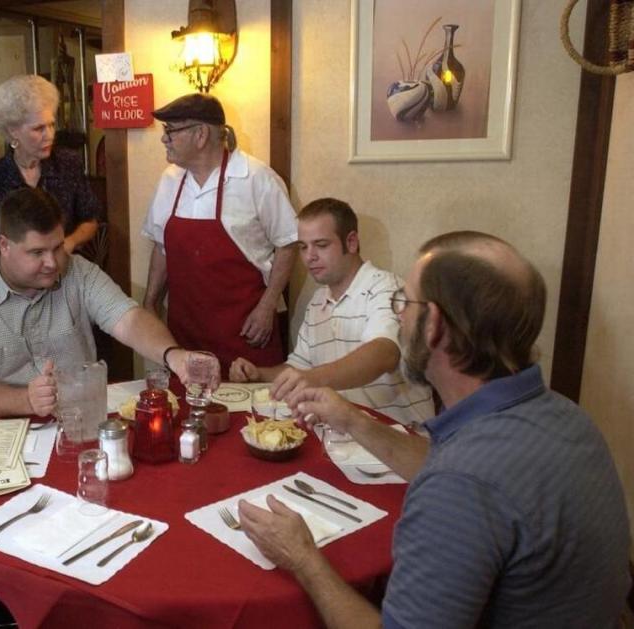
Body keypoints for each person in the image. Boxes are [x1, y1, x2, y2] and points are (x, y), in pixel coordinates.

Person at [238, 231, 631, 628]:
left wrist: (303, 557)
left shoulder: (460, 484)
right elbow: (450, 465)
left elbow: (461, 480)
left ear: (435, 325)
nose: (398, 316)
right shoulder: (565, 415)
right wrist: (352, 419)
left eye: (404, 304)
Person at [0, 187, 215, 419]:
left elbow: (128, 319)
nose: (52, 263)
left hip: (76, 420)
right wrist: (27, 400)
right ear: (5, 245)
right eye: (37, 252)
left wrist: (173, 355)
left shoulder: (78, 271)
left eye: (57, 247)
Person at [230, 198, 433, 426]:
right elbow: (298, 367)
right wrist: (259, 375)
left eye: (321, 245)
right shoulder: (318, 301)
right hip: (345, 438)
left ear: (352, 242)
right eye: (303, 247)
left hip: (398, 436)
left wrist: (311, 378)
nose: (309, 257)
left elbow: (384, 354)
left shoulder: (386, 288)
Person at [141, 93, 297, 378]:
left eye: (171, 131)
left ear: (200, 135)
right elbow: (161, 246)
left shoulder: (255, 177)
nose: (164, 139)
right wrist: (149, 303)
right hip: (186, 337)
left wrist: (268, 306)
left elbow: (288, 243)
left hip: (244, 335)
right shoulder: (170, 180)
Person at [0, 74, 99, 261]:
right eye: (38, 129)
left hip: (64, 270)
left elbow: (90, 221)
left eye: (51, 125)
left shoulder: (68, 164)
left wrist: (68, 244)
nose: (49, 135)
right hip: (14, 281)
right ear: (13, 131)